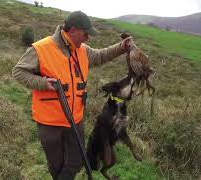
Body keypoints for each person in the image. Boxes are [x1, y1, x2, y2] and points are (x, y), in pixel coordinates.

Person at [12, 11, 132, 180]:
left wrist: (121, 47)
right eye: (85, 34)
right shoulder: (41, 48)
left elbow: (101, 55)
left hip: (75, 119)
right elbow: (18, 72)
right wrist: (43, 83)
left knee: (76, 161)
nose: (87, 38)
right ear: (73, 30)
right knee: (56, 165)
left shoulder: (82, 50)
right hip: (49, 122)